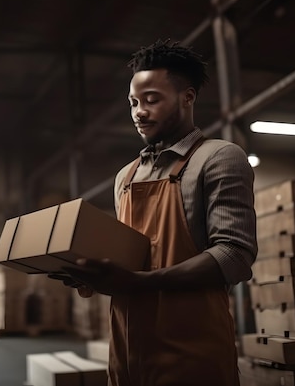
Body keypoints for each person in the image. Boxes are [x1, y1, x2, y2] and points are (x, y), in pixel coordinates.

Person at [56, 39, 257, 386]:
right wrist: (92, 274)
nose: (139, 112)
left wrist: (139, 283)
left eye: (152, 100)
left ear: (187, 97)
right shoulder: (126, 176)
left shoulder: (218, 157)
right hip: (127, 353)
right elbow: (130, 256)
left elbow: (234, 255)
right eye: (133, 102)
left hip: (192, 353)